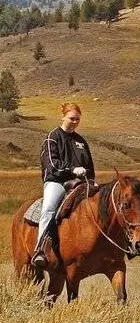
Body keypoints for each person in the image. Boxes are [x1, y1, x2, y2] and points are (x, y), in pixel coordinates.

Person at [32, 102, 96, 268]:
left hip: (81, 182)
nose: (75, 121)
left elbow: (89, 165)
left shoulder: (81, 141)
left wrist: (92, 180)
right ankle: (40, 249)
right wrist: (73, 169)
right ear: (63, 117)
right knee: (49, 209)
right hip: (57, 181)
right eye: (72, 118)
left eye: (78, 119)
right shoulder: (52, 137)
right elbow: (51, 164)